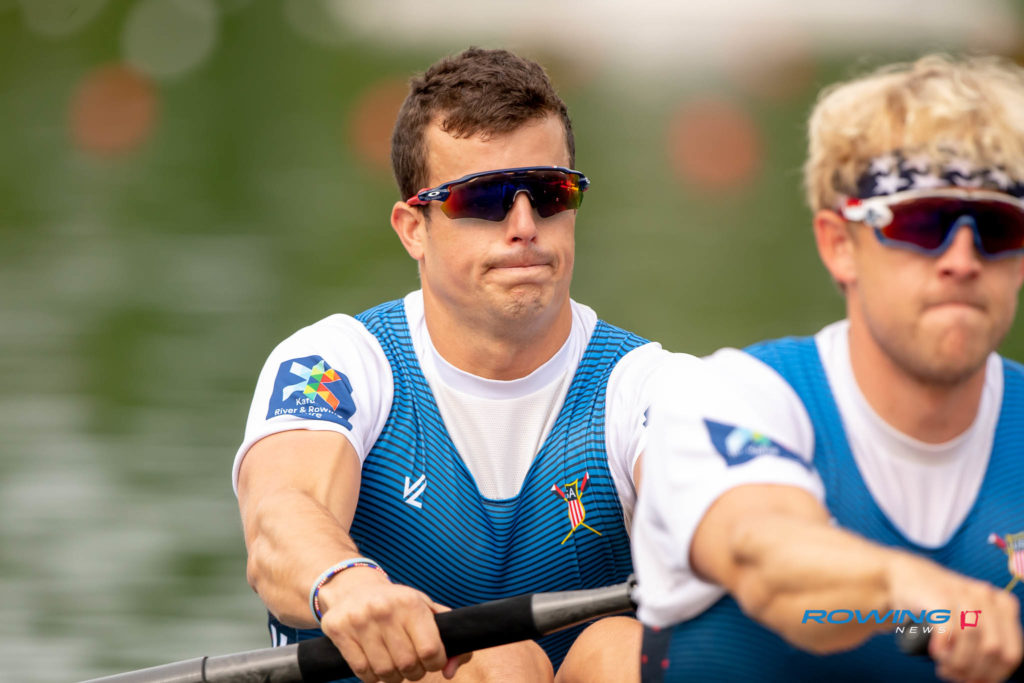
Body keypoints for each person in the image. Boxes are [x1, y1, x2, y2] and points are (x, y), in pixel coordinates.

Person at [233, 47, 665, 683]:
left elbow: (716, 506)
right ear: (413, 227)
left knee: (625, 650)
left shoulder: (650, 384)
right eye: (485, 199)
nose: (525, 225)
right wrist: (347, 583)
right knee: (498, 662)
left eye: (551, 193)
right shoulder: (334, 363)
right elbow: (280, 519)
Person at [630, 54, 1024, 682]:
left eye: (998, 228)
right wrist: (907, 585)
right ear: (840, 245)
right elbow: (764, 557)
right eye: (923, 224)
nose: (962, 259)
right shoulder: (727, 399)